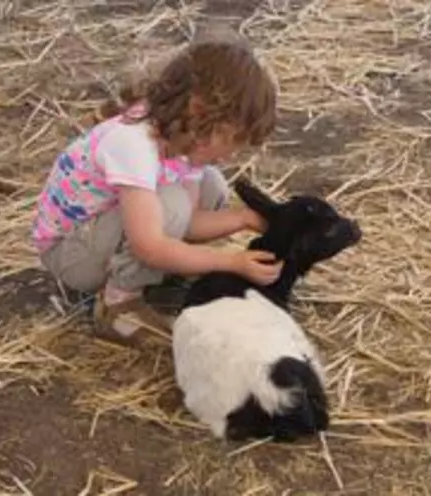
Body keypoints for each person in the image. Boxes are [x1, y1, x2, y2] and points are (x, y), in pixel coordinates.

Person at [31, 37, 283, 346]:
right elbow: (150, 244)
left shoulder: (184, 141)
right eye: (232, 140)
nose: (231, 154)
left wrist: (244, 218)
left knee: (211, 184)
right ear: (200, 112)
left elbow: (189, 223)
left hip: (104, 236)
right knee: (171, 204)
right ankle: (117, 305)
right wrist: (230, 262)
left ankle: (158, 275)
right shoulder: (133, 145)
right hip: (71, 253)